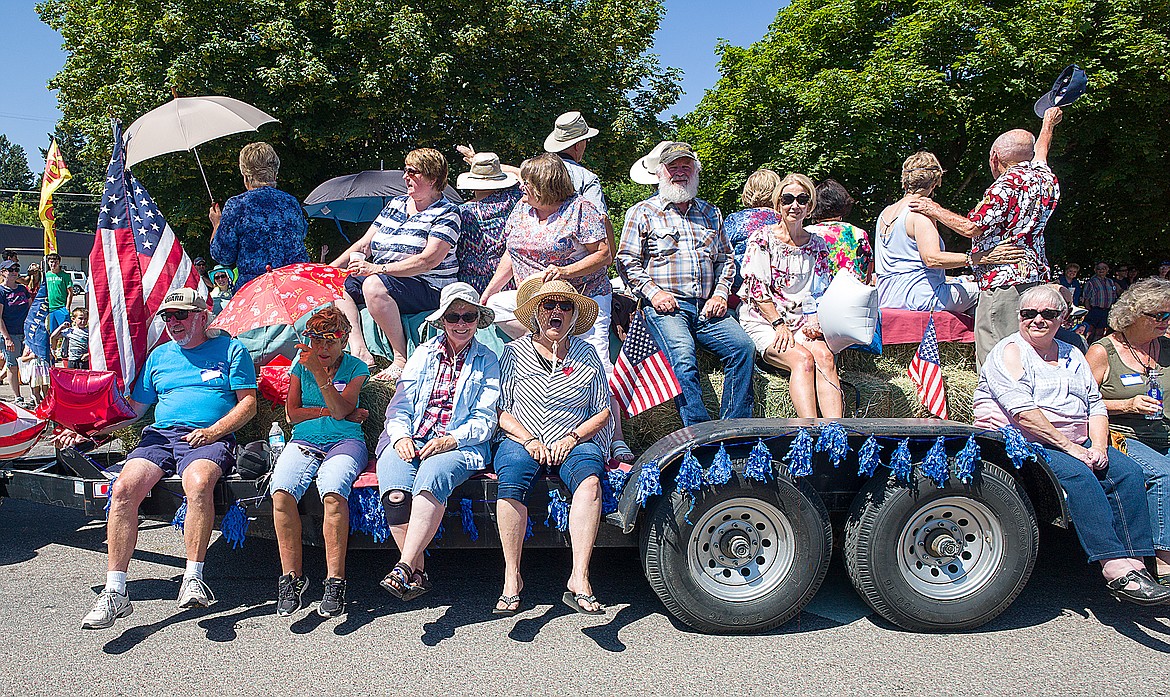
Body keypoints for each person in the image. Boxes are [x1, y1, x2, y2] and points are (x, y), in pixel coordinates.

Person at [56, 288, 258, 629]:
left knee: (198, 484)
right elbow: (134, 412)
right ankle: (115, 592)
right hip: (161, 436)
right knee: (122, 489)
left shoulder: (231, 349)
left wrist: (213, 432)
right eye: (167, 317)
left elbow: (249, 404)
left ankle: (193, 577)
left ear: (202, 316)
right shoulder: (160, 356)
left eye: (181, 315)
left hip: (207, 435)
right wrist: (90, 433)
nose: (173, 323)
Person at [973, 285, 1170, 605]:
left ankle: (1137, 565)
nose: (1037, 319)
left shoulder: (1072, 353)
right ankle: (1113, 565)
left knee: (1129, 472)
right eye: (1028, 314)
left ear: (1062, 318)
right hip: (1029, 438)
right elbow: (1023, 413)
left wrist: (1101, 447)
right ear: (1019, 317)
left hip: (1078, 438)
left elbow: (1095, 405)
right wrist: (1074, 449)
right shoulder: (1009, 351)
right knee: (1080, 475)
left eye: (1048, 314)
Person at [481, 153, 632, 462]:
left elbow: (604, 254)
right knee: (497, 306)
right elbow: (512, 253)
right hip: (536, 300)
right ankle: (550, 352)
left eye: (527, 182)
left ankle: (614, 438)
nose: (520, 186)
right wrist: (489, 291)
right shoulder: (522, 209)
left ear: (545, 186)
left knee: (599, 366)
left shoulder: (581, 210)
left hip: (581, 296)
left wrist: (565, 272)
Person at [493, 278, 611, 615]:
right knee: (511, 480)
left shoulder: (586, 353)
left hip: (574, 438)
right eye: (549, 305)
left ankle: (579, 577)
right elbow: (500, 411)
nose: (556, 311)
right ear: (536, 313)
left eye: (565, 306)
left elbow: (602, 410)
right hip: (522, 437)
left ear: (574, 315)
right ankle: (512, 577)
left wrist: (572, 438)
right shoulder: (513, 352)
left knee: (590, 483)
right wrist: (529, 439)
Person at [616, 142, 756, 427]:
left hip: (708, 307)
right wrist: (654, 294)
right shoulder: (642, 212)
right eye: (673, 167)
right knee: (683, 359)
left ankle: (734, 429)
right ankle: (700, 433)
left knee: (743, 348)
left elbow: (727, 260)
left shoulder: (710, 212)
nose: (679, 173)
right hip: (666, 309)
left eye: (685, 166)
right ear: (660, 173)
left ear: (695, 172)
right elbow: (626, 260)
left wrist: (720, 294)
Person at [910, 107, 1063, 367]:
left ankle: (996, 407)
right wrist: (1048, 123)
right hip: (1036, 281)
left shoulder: (1004, 186)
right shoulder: (1045, 178)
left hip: (1002, 283)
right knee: (1029, 355)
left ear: (995, 158)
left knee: (997, 357)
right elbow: (1041, 152)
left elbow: (972, 227)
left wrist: (932, 208)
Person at [376, 283, 500, 601]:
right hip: (412, 434)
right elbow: (400, 403)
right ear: (442, 320)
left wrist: (452, 439)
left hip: (461, 443)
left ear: (477, 320)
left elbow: (485, 420)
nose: (461, 324)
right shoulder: (422, 353)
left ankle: (404, 565)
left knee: (431, 478)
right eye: (454, 316)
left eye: (468, 316)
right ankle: (417, 573)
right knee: (394, 495)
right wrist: (401, 435)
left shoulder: (488, 360)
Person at [270, 307, 369, 618]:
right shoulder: (299, 367)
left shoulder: (356, 368)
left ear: (343, 340)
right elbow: (292, 415)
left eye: (331, 340)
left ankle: (335, 581)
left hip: (346, 440)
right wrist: (328, 409)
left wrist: (320, 379)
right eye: (316, 340)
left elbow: (343, 411)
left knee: (333, 490)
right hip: (304, 439)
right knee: (281, 490)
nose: (323, 348)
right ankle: (290, 579)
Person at [331, 148, 462, 378]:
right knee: (336, 283)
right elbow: (363, 245)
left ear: (433, 178)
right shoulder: (396, 204)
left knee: (372, 285)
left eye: (413, 172)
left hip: (427, 285)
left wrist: (376, 269)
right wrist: (327, 271)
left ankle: (400, 358)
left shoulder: (447, 213)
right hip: (387, 278)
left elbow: (427, 260)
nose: (405, 177)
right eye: (405, 170)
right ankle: (359, 350)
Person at [1086, 277, 1170, 584]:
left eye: (1169, 315)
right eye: (1159, 315)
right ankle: (1163, 562)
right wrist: (1128, 405)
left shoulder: (1165, 347)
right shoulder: (1103, 351)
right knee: (1162, 473)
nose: (1165, 322)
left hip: (1164, 433)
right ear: (1135, 314)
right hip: (1124, 435)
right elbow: (1083, 403)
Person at [738, 173, 842, 418]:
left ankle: (837, 433)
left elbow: (821, 291)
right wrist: (778, 325)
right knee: (803, 360)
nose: (795, 205)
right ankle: (808, 434)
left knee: (825, 357)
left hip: (801, 322)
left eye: (802, 199)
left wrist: (815, 321)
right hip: (765, 320)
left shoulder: (817, 244)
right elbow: (757, 290)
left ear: (810, 206)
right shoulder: (762, 238)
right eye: (788, 199)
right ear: (778, 204)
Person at [875, 152, 1022, 313]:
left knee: (965, 282)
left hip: (888, 297)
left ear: (905, 181)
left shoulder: (885, 213)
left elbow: (907, 266)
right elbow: (932, 259)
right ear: (936, 182)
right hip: (922, 297)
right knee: (987, 291)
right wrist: (981, 258)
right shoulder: (919, 213)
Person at [209, 142, 310, 289]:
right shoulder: (291, 202)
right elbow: (302, 234)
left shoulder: (238, 205)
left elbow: (223, 255)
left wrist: (217, 224)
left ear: (245, 176)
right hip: (295, 287)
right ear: (275, 173)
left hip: (257, 293)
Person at [454, 152, 522, 295]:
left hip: (471, 286)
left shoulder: (460, 213)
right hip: (508, 283)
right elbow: (525, 174)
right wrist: (498, 167)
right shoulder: (514, 199)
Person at [542, 111, 612, 240]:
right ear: (578, 145)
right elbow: (599, 219)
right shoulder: (587, 178)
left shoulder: (535, 171)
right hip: (574, 254)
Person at [808, 178, 873, 282]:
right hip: (854, 295)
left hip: (820, 295)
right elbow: (867, 273)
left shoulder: (808, 234)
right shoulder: (859, 233)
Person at [723, 169, 782, 271]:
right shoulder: (785, 221)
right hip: (778, 283)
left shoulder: (736, 220)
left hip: (740, 283)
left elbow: (720, 253)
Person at [0, 260, 31, 407]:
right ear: (3, 272)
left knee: (30, 363)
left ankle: (34, 395)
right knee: (12, 365)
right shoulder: (1, 291)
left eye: (16, 269)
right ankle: (18, 397)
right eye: (10, 269)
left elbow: (32, 311)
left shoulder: (23, 289)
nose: (14, 272)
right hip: (10, 333)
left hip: (25, 332)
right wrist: (7, 338)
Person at [1083, 261, 1121, 342]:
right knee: (1089, 332)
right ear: (1095, 270)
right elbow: (1086, 299)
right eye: (1099, 269)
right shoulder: (1091, 282)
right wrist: (1089, 311)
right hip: (1095, 310)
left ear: (1107, 270)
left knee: (1100, 333)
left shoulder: (1111, 282)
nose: (1101, 270)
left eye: (1103, 268)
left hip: (1106, 311)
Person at [44, 252, 72, 335]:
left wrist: (67, 307)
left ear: (59, 262)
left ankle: (64, 348)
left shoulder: (65, 276)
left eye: (55, 262)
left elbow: (70, 293)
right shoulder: (46, 275)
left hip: (61, 307)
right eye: (51, 262)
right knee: (52, 333)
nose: (53, 264)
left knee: (65, 332)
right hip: (50, 308)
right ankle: (53, 348)